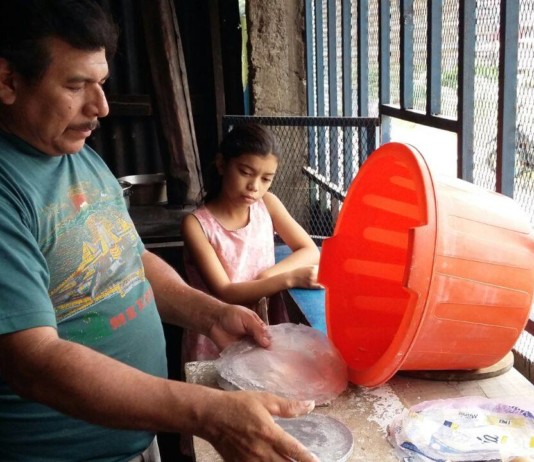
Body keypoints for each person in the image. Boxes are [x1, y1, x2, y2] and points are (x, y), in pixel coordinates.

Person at [0, 1, 320, 461]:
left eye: (101, 84)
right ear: (9, 81)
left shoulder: (78, 156)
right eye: (75, 85)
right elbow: (32, 360)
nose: (100, 107)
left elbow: (133, 260)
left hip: (134, 436)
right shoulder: (8, 188)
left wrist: (211, 314)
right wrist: (205, 412)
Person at [181, 123, 322, 362]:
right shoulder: (197, 225)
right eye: (246, 172)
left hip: (263, 323)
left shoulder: (267, 204)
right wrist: (288, 278)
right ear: (222, 164)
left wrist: (267, 276)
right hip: (218, 333)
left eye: (266, 179)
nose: (254, 187)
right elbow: (226, 292)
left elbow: (309, 250)